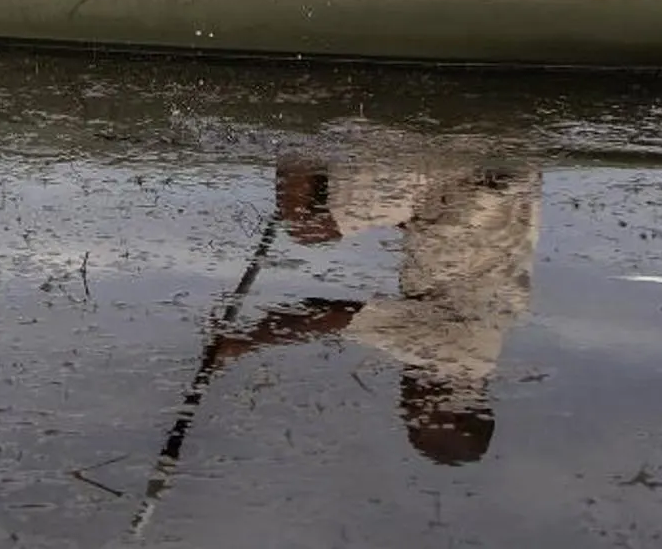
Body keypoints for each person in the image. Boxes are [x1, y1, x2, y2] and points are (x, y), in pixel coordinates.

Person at [207, 146, 541, 465]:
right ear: (452, 413)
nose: (405, 406)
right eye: (417, 419)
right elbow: (328, 316)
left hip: (493, 180)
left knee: (345, 204)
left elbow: (465, 236)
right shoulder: (450, 357)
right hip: (451, 178)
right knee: (306, 225)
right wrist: (241, 343)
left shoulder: (502, 318)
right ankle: (296, 134)